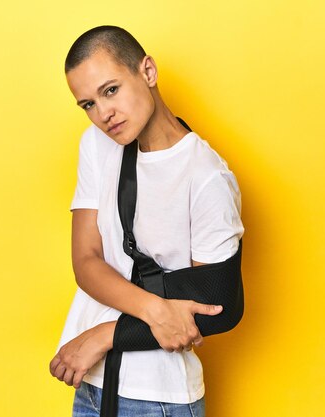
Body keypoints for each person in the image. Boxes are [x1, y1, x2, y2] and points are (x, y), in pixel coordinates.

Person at [49, 26, 244, 417]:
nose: (103, 114)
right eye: (88, 104)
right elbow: (86, 261)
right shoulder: (96, 144)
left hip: (158, 396)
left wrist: (107, 334)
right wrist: (155, 310)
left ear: (148, 72)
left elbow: (218, 304)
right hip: (91, 382)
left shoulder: (205, 176)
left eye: (111, 90)